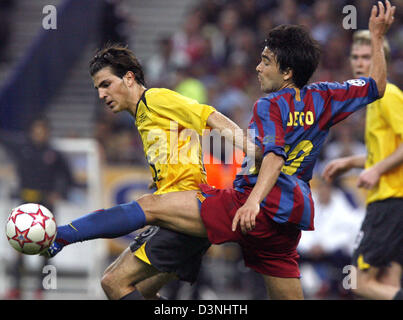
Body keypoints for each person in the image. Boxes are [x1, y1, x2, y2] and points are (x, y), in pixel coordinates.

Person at [46, 1, 398, 300]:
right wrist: (379, 37)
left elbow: (271, 155)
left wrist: (253, 200)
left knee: (145, 216)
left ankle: (65, 234)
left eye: (265, 61)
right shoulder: (327, 95)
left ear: (287, 71)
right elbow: (377, 86)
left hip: (251, 205)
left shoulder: (268, 105)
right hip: (291, 214)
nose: (258, 67)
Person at [44, 43, 257, 300]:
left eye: (106, 84)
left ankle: (64, 234)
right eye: (97, 88)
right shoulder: (143, 115)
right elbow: (180, 144)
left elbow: (208, 115)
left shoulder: (155, 98)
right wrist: (159, 179)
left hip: (189, 207)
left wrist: (252, 149)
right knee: (137, 291)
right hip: (180, 213)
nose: (101, 95)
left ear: (129, 78)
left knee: (113, 280)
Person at [322, 27, 403, 299]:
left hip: (389, 200)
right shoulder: (374, 101)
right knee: (388, 279)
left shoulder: (388, 95)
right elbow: (385, 154)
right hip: (392, 200)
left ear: (383, 61)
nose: (358, 62)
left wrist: (376, 170)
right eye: (355, 56)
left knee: (356, 281)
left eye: (367, 56)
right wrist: (351, 162)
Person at [0, 118, 74, 299]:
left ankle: (44, 288)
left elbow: (69, 177)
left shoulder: (54, 153)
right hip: (24, 205)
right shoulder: (22, 148)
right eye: (36, 130)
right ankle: (15, 287)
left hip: (45, 207)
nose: (38, 133)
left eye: (42, 130)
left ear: (47, 132)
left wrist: (59, 192)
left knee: (47, 248)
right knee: (18, 248)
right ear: (31, 131)